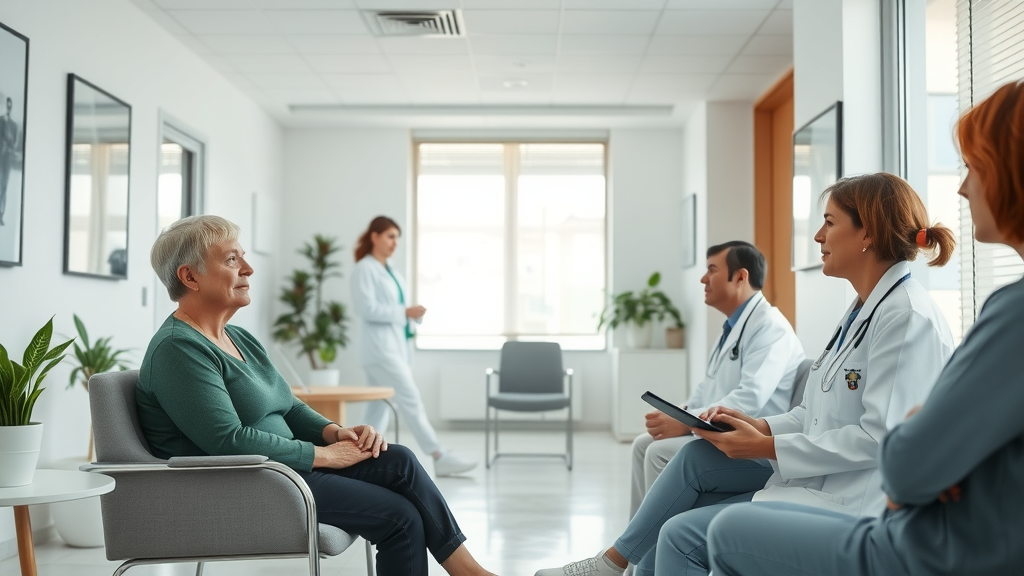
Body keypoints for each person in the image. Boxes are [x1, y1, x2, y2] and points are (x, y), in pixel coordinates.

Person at [535, 172, 955, 576]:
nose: (817, 237)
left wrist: (767, 444)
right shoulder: (862, 311)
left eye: (829, 223)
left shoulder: (906, 318)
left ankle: (612, 564)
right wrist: (758, 425)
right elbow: (813, 411)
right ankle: (613, 564)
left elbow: (880, 439)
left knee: (679, 534)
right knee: (692, 467)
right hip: (821, 479)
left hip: (857, 502)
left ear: (868, 234)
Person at [705, 81, 1024, 576]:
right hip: (900, 507)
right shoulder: (864, 310)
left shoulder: (979, 312)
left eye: (974, 167)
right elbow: (890, 438)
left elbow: (904, 460)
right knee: (691, 480)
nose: (962, 187)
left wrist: (926, 438)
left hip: (932, 538)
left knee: (722, 532)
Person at [137, 215, 497, 576]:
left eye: (243, 257)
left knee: (399, 458)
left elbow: (289, 406)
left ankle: (470, 571)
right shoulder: (178, 349)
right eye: (232, 260)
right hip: (247, 482)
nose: (248, 269)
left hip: (283, 469)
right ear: (189, 277)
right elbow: (227, 440)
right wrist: (323, 455)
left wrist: (336, 433)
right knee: (400, 517)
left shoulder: (239, 337)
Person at [629, 241, 804, 519]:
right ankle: (632, 555)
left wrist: (685, 424)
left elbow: (750, 398)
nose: (703, 279)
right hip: (719, 432)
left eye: (711, 269)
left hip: (756, 448)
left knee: (658, 452)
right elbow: (706, 390)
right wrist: (683, 413)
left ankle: (650, 554)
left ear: (740, 277)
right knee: (642, 444)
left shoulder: (771, 327)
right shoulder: (731, 327)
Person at [350, 216, 476, 477]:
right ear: (374, 237)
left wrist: (412, 313)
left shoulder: (391, 271)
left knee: (379, 406)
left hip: (393, 346)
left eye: (397, 237)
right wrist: (405, 311)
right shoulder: (365, 268)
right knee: (410, 398)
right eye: (390, 236)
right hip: (380, 349)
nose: (395, 242)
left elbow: (396, 310)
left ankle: (358, 457)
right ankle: (438, 455)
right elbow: (366, 309)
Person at [0, 97, 19, 226]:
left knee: (4, 186)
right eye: (6, 106)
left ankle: (1, 214)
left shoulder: (13, 125)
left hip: (6, 157)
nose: (8, 108)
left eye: (9, 106)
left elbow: (15, 144)